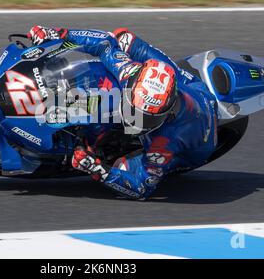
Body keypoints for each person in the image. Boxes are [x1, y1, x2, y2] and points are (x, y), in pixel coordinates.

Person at [28, 25, 218, 200]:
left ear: (167, 113)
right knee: (123, 37)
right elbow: (104, 43)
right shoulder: (128, 72)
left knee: (122, 166)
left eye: (147, 118)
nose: (137, 122)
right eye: (135, 111)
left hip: (196, 147)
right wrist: (58, 34)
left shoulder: (166, 143)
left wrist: (97, 168)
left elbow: (141, 189)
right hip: (188, 85)